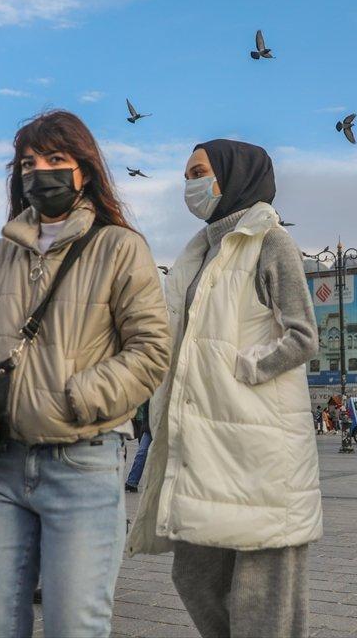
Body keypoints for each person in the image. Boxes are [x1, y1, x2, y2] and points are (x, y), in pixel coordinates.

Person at [0, 111, 170, 638]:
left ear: (84, 170)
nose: (41, 172)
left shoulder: (120, 247)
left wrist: (75, 397)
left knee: (73, 625)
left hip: (80, 462)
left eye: (56, 159)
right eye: (29, 163)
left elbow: (150, 350)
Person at [128, 139, 320, 638]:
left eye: (198, 171)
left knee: (262, 600)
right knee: (193, 575)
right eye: (187, 174)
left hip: (258, 443)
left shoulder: (269, 239)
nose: (189, 184)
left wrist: (238, 369)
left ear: (233, 175)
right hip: (205, 442)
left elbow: (302, 335)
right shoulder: (200, 251)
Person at [124, 400, 151, 494]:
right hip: (149, 428)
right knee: (141, 453)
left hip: (163, 427)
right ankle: (132, 482)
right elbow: (146, 410)